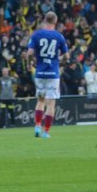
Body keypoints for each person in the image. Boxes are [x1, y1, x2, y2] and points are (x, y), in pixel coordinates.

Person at [25, 11, 69, 139]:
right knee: (51, 104)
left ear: (44, 20)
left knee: (40, 100)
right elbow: (67, 56)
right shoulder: (59, 37)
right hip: (53, 74)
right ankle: (46, 132)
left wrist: (29, 64)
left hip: (40, 73)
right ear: (55, 22)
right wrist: (58, 60)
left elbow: (29, 53)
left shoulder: (36, 34)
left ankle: (37, 125)